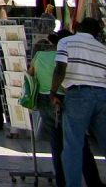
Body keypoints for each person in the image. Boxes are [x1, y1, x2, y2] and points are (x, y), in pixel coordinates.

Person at [31, 32, 102, 187]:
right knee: (79, 144)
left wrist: (50, 92)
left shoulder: (40, 57)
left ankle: (62, 181)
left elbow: (32, 76)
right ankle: (93, 180)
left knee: (58, 145)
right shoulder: (73, 55)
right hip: (65, 99)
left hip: (48, 102)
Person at [50, 17, 106, 187]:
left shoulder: (66, 42)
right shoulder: (103, 49)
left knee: (73, 146)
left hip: (78, 95)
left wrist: (54, 91)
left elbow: (60, 68)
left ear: (78, 28)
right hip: (102, 96)